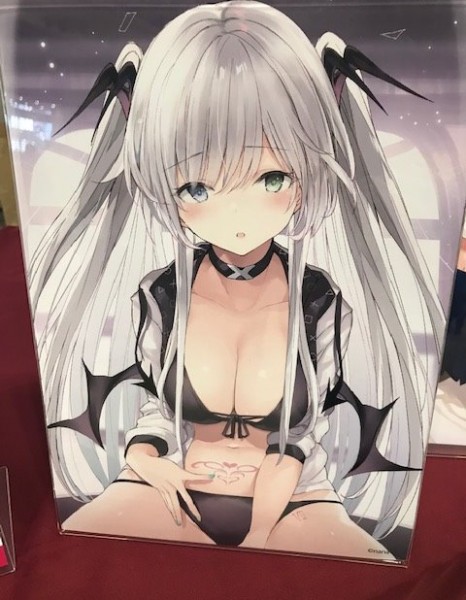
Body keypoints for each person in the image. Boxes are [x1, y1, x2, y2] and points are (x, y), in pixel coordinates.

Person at [30, 1, 444, 559]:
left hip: (296, 498)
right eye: (197, 188)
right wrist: (147, 462)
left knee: (365, 568)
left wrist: (258, 536)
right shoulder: (160, 294)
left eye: (271, 178)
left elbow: (299, 440)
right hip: (171, 486)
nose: (238, 217)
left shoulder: (320, 302)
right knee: (76, 555)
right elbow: (157, 413)